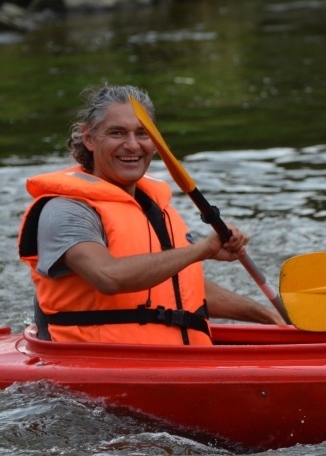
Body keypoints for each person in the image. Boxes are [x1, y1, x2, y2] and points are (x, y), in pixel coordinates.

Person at [18, 84, 285, 345]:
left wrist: (266, 315)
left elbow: (179, 287)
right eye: (117, 133)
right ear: (88, 138)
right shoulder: (67, 209)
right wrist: (202, 249)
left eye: (143, 134)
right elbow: (108, 277)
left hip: (178, 360)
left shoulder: (154, 206)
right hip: (98, 362)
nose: (132, 145)